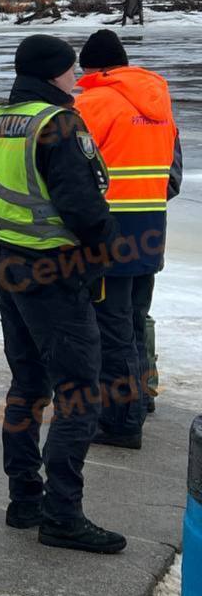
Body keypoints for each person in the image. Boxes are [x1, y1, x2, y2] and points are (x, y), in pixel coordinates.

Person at [0, 34, 125, 553]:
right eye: (71, 69)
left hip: (9, 266)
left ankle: (25, 500)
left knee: (26, 384)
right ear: (52, 73)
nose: (76, 78)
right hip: (55, 273)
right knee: (79, 393)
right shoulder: (57, 123)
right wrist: (107, 252)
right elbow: (83, 207)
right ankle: (62, 516)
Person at [74, 29, 182, 442]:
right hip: (151, 229)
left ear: (91, 69)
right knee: (135, 321)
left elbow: (73, 171)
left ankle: (120, 422)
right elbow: (173, 174)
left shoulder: (90, 103)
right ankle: (138, 398)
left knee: (111, 328)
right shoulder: (160, 104)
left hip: (107, 233)